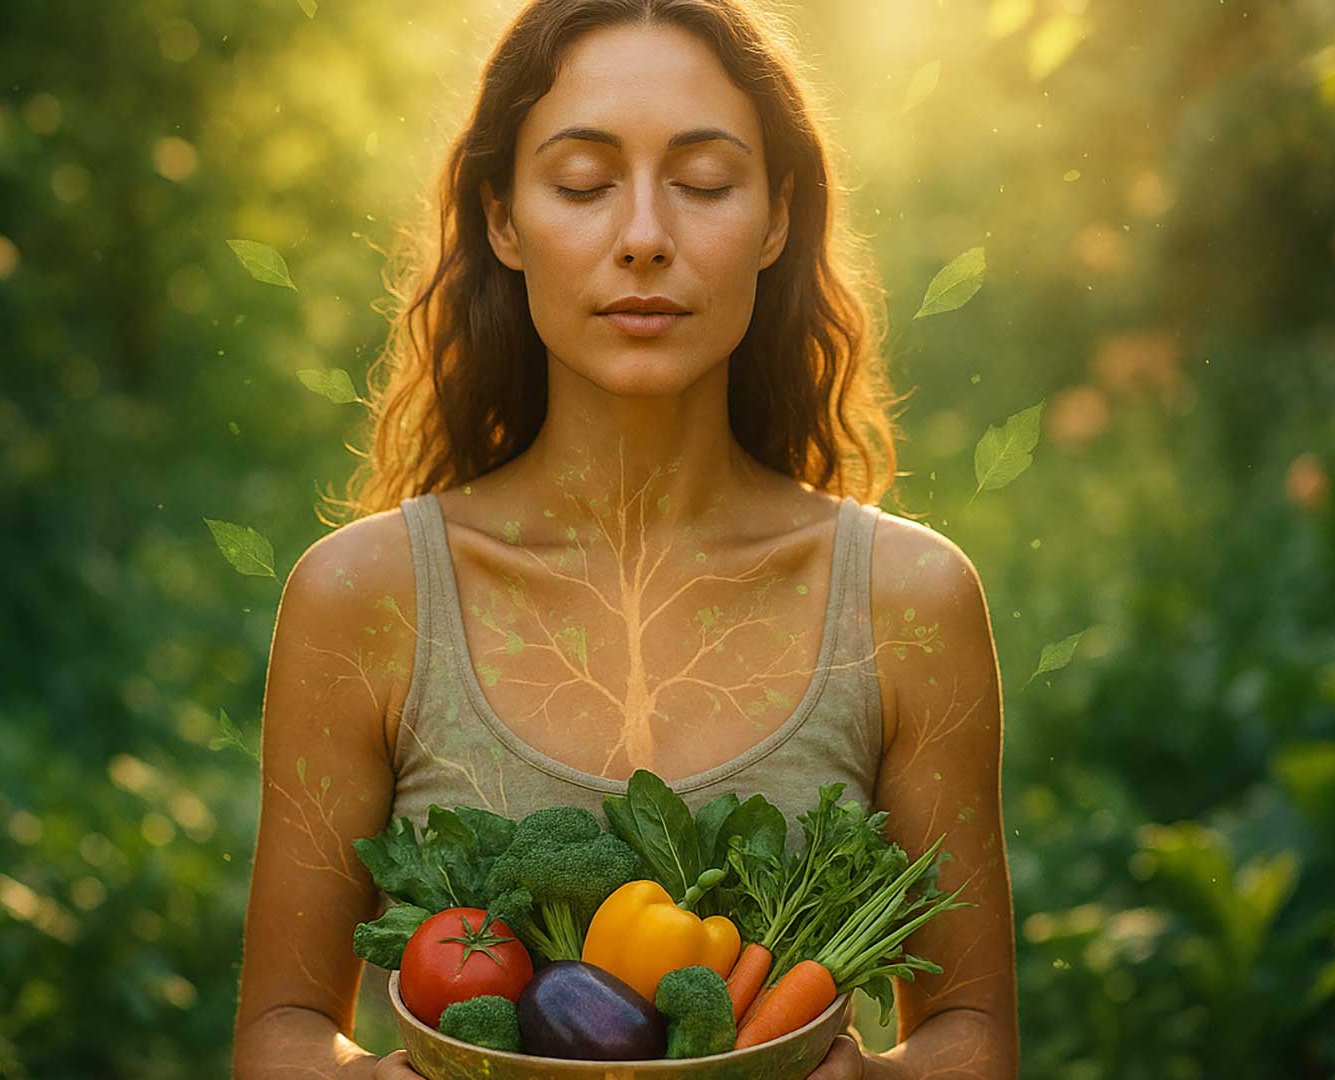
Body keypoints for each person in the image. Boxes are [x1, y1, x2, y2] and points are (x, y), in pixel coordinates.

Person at [231, 2, 1018, 1076]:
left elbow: (971, 1035)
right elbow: (279, 1031)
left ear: (778, 219)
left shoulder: (909, 599)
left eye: (702, 183)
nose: (645, 234)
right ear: (502, 219)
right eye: (583, 184)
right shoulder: (362, 598)